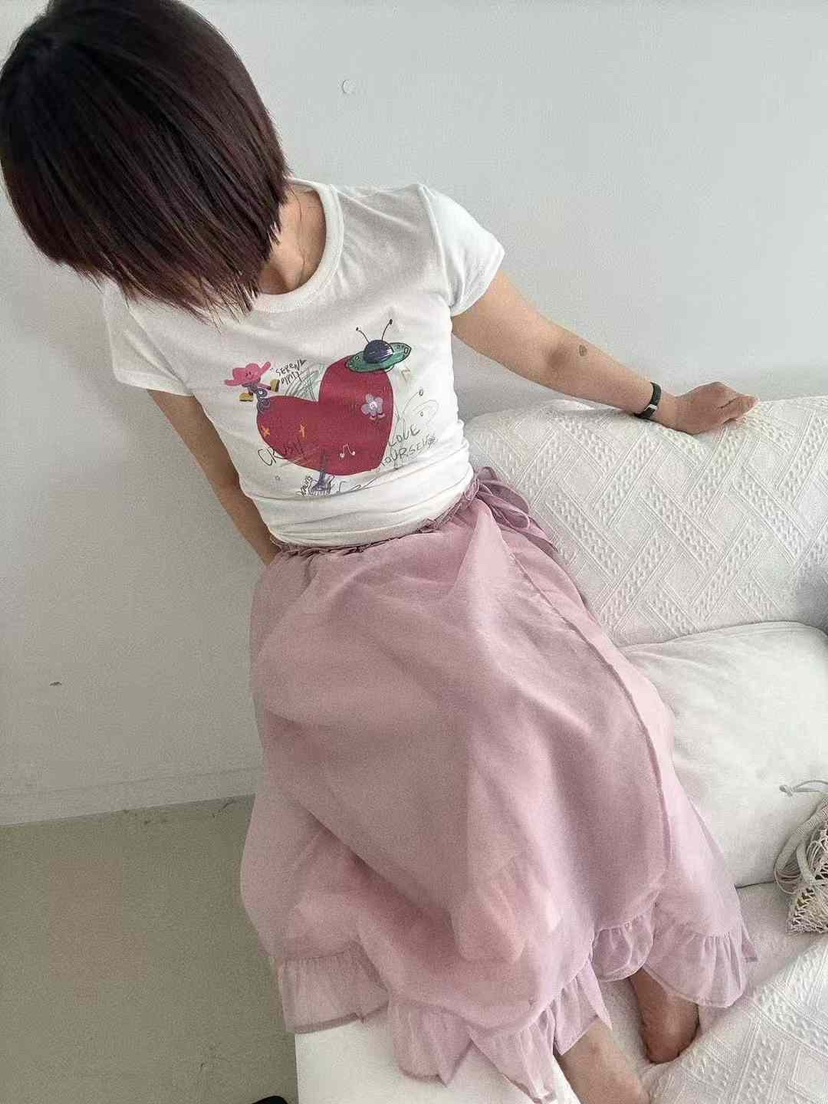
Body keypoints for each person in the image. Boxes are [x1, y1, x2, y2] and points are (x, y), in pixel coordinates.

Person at [0, 3, 760, 1102]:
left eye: (129, 233)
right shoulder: (148, 317)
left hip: (467, 546)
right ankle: (569, 1025)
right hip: (332, 597)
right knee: (475, 764)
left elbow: (550, 349)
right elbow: (224, 477)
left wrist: (665, 404)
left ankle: (645, 942)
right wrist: (310, 583)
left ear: (204, 151)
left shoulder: (409, 232)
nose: (132, 266)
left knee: (604, 716)